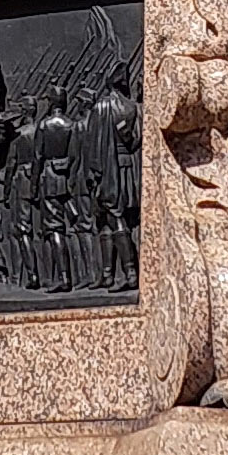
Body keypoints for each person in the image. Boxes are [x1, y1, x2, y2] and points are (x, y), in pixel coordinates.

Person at [85, 60, 141, 291]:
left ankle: (130, 274)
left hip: (108, 170)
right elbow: (136, 140)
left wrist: (93, 175)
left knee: (115, 218)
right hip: (126, 167)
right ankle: (107, 274)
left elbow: (94, 144)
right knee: (106, 222)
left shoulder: (102, 107)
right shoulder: (132, 107)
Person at [32, 84, 74, 292]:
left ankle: (64, 277)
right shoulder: (70, 124)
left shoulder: (45, 125)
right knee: (62, 226)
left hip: (48, 178)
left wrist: (33, 186)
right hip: (64, 178)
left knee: (54, 228)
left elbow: (38, 156)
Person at [3, 96, 40, 289]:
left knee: (23, 229)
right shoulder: (41, 130)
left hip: (22, 181)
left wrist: (6, 189)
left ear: (25, 111)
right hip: (40, 180)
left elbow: (11, 164)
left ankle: (32, 275)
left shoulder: (19, 134)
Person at [67, 87, 98, 288]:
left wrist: (70, 180)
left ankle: (90, 273)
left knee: (84, 226)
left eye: (79, 101)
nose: (77, 105)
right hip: (98, 180)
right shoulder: (99, 125)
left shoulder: (80, 126)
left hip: (82, 180)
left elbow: (74, 157)